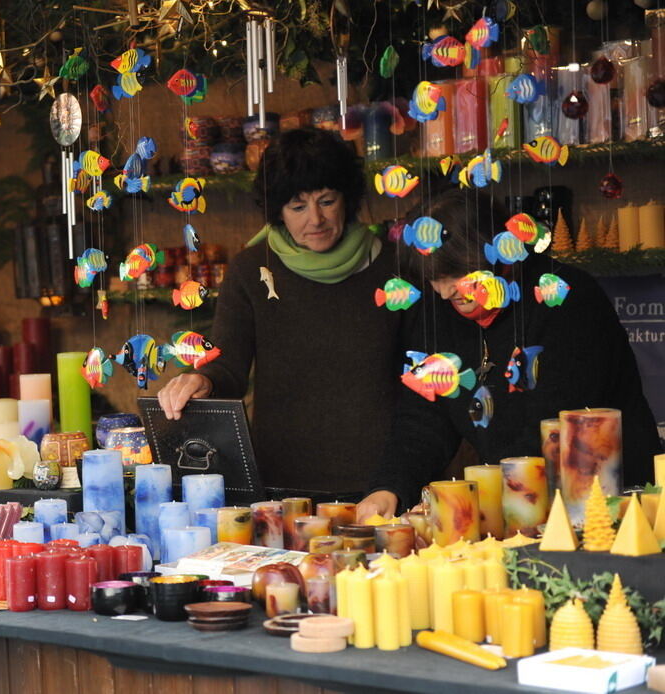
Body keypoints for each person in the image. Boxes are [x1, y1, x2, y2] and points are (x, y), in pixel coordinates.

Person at [358, 189, 661, 519]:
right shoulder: (438, 312)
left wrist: (483, 501)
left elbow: (554, 424)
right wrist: (390, 487)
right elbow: (423, 416)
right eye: (434, 278)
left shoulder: (564, 298)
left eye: (455, 276)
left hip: (614, 506)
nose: (445, 292)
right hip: (521, 506)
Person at [157, 128, 402, 496]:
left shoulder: (392, 266)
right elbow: (228, 366)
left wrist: (401, 478)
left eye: (327, 200)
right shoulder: (252, 270)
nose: (315, 219)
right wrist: (201, 380)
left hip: (383, 483)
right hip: (283, 485)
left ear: (347, 199)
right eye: (298, 206)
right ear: (278, 212)